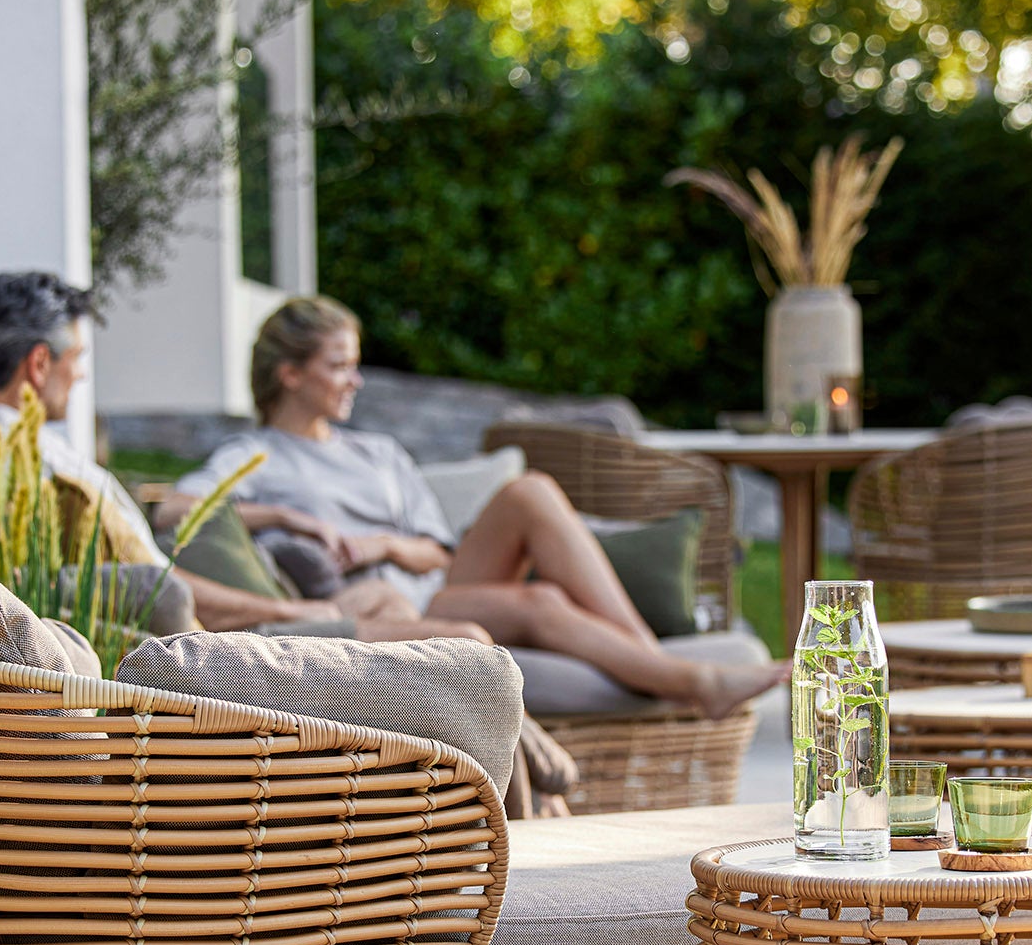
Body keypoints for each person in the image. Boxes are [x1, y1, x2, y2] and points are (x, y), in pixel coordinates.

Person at [160, 296, 788, 719]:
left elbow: (437, 548)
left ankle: (656, 659)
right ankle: (688, 680)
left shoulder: (376, 451)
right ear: (292, 375)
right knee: (540, 601)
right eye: (339, 367)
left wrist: (382, 544)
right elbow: (172, 511)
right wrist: (287, 518)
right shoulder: (254, 455)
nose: (355, 381)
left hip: (434, 578)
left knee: (531, 491)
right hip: (393, 609)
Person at [0, 271, 345, 636]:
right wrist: (291, 611)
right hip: (206, 664)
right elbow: (161, 588)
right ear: (39, 364)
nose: (81, 373)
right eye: (76, 357)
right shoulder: (61, 476)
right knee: (397, 635)